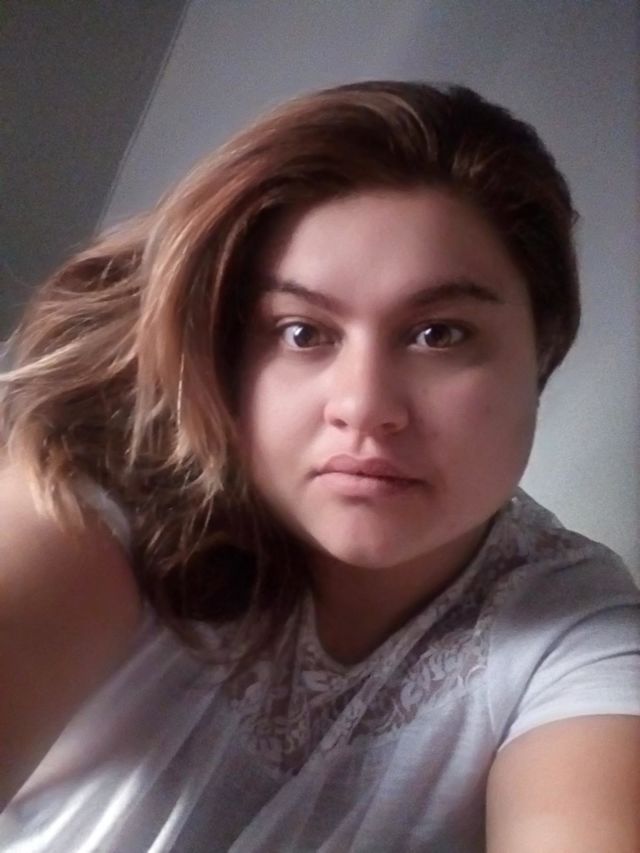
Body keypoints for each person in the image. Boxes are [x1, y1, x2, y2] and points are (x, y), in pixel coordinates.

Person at [0, 80, 639, 852]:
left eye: (439, 333)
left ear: (543, 347)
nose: (364, 407)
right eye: (302, 332)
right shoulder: (102, 490)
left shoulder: (572, 625)